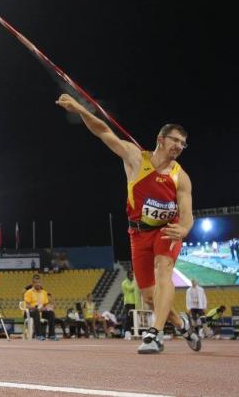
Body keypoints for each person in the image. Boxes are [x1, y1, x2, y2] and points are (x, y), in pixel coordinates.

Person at [56, 93, 199, 354]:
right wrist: (80, 110)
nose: (179, 145)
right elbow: (103, 132)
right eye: (175, 140)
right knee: (147, 296)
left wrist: (186, 227)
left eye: (183, 143)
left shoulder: (182, 177)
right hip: (138, 233)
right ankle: (181, 324)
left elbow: (188, 212)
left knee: (163, 270)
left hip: (167, 230)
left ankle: (155, 334)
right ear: (161, 139)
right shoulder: (135, 159)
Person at [23, 275, 58, 341]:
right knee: (36, 312)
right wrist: (35, 308)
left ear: (41, 283)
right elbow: (27, 305)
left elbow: (46, 304)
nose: (38, 284)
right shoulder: (29, 292)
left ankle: (51, 335)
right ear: (33, 284)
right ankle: (39, 335)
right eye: (36, 283)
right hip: (30, 312)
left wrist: (49, 307)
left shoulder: (44, 293)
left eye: (39, 282)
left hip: (41, 311)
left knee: (51, 313)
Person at [121, 270, 142, 339]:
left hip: (135, 302)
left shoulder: (134, 282)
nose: (132, 276)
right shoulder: (124, 283)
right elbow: (130, 289)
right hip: (128, 302)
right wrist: (136, 283)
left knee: (135, 318)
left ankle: (133, 332)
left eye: (133, 275)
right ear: (128, 275)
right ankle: (127, 332)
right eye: (131, 275)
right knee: (129, 318)